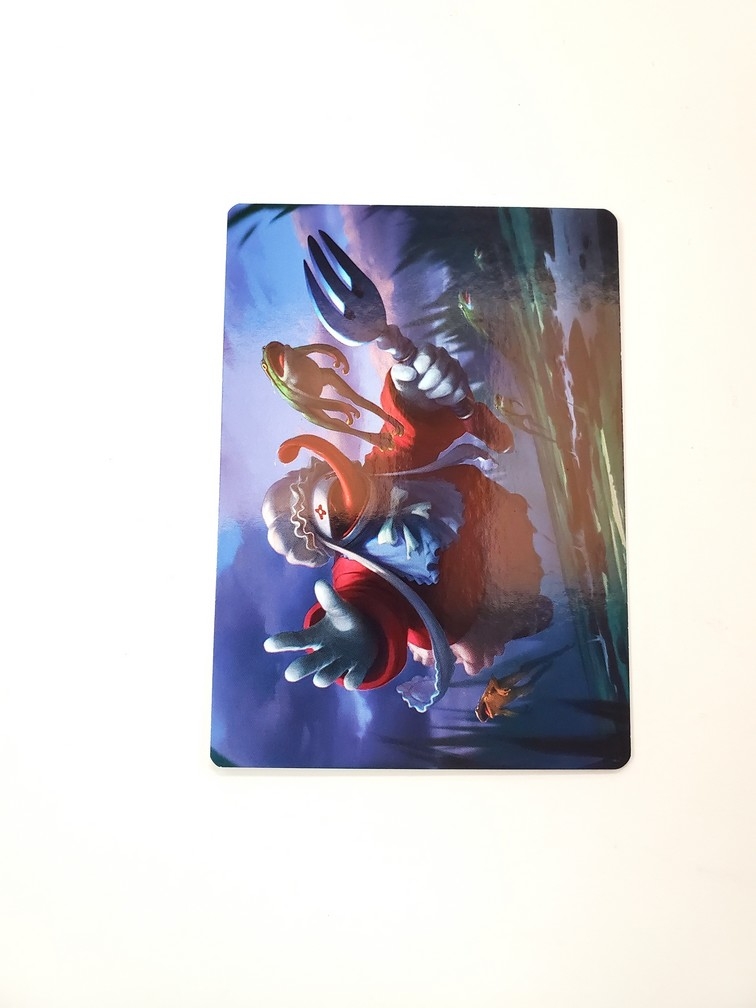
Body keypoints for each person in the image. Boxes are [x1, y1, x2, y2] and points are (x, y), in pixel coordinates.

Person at [262, 343, 552, 711]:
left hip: (505, 521)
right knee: (506, 625)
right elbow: (365, 600)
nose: (343, 499)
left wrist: (414, 393)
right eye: (333, 516)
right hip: (482, 603)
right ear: (329, 542)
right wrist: (364, 636)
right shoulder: (358, 570)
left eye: (331, 485)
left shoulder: (381, 475)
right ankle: (521, 618)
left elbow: (404, 434)